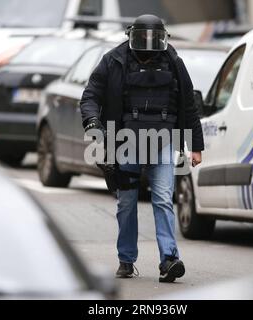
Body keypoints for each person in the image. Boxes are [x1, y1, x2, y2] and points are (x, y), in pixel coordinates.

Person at [80, 14, 204, 283]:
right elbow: (91, 95)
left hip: (163, 139)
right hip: (127, 141)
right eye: (142, 40)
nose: (148, 47)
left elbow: (188, 105)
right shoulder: (114, 60)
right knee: (126, 203)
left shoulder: (173, 61)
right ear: (132, 37)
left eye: (153, 41)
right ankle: (126, 259)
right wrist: (93, 123)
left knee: (162, 199)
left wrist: (195, 146)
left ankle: (169, 259)